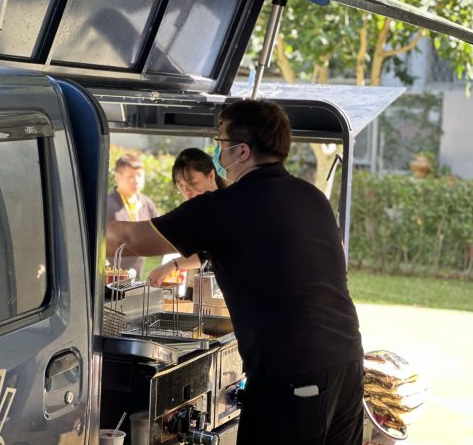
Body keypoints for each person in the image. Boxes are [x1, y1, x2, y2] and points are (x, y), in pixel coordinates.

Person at [107, 100, 364, 445]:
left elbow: (128, 237)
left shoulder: (226, 207)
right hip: (347, 364)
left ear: (241, 151)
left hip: (291, 374)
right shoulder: (311, 197)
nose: (217, 149)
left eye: (221, 141)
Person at [148, 148, 226, 287]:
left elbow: (209, 255)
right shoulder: (196, 210)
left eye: (193, 183)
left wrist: (173, 265)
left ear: (211, 175)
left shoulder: (225, 206)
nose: (186, 191)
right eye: (181, 185)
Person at [106, 153, 158, 276]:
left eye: (139, 175)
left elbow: (158, 232)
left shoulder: (146, 202)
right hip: (113, 277)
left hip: (138, 273)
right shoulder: (107, 204)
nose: (136, 180)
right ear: (117, 177)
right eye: (130, 176)